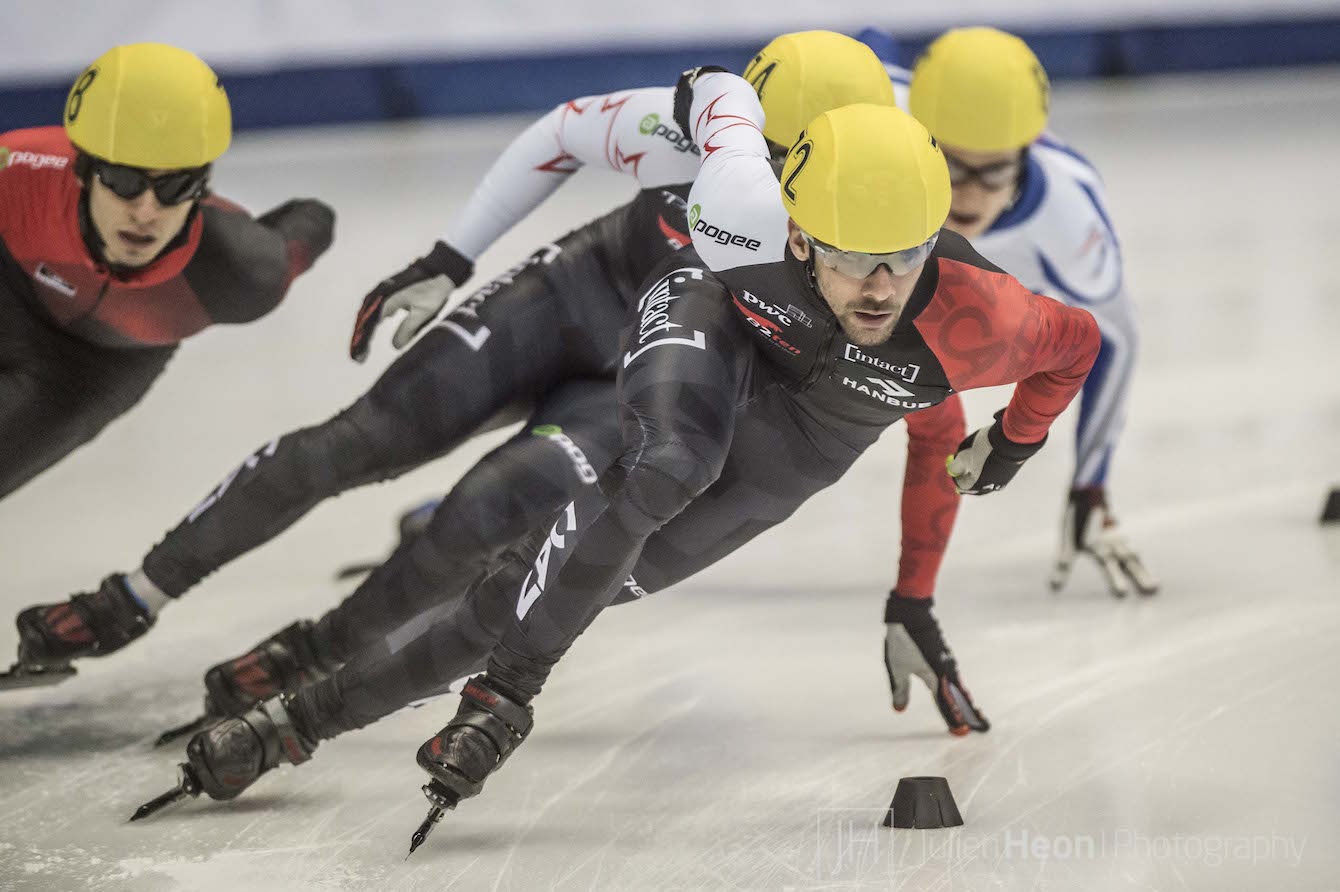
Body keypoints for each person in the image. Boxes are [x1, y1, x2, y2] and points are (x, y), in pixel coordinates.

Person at [168, 71, 1099, 812]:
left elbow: (1076, 351)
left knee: (543, 584)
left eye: (905, 257)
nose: (879, 289)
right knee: (667, 466)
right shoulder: (743, 206)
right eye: (853, 255)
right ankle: (504, 696)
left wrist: (1011, 445)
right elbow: (716, 93)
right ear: (799, 229)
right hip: (717, 312)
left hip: (805, 435)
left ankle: (297, 724)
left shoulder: (988, 321)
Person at [15, 34, 972, 726]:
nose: (772, 201)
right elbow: (560, 134)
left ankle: (316, 650)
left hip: (652, 371)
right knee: (358, 442)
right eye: (762, 163)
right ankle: (130, 597)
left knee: (485, 510)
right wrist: (448, 254)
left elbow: (931, 404)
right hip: (586, 290)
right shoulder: (699, 136)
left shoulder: (877, 214)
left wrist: (914, 593)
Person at [0, 43, 333, 674]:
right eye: (124, 180)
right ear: (81, 168)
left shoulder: (238, 271)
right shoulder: (18, 166)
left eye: (175, 184)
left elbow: (311, 222)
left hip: (88, 372)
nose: (146, 210)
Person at [861, 26, 1158, 599]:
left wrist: (1089, 485)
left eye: (992, 172)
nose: (969, 196)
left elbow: (1115, 340)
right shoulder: (877, 127)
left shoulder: (1070, 222)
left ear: (1028, 150)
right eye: (951, 164)